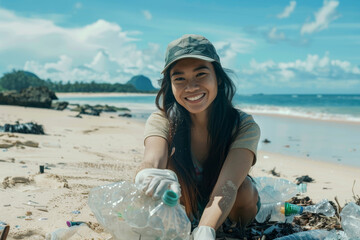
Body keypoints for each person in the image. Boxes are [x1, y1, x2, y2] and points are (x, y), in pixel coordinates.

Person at [135, 34, 261, 240]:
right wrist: (145, 174)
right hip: (181, 204)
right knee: (167, 175)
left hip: (229, 210)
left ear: (218, 78)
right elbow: (152, 160)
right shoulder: (162, 120)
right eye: (180, 79)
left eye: (201, 74)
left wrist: (206, 229)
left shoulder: (243, 125)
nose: (191, 87)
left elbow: (227, 187)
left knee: (245, 189)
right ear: (171, 85)